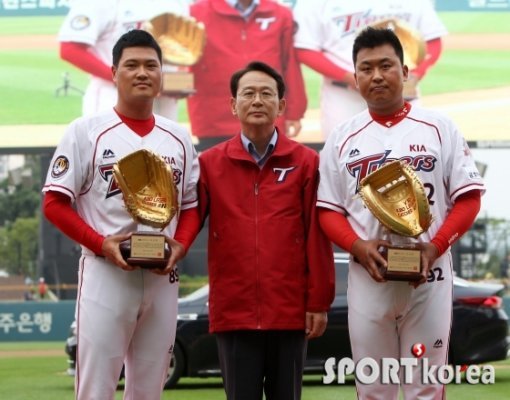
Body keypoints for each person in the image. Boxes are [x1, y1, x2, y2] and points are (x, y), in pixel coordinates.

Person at [317, 27, 485, 399]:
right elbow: (328, 211)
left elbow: (469, 198)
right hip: (368, 278)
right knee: (374, 387)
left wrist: (436, 245)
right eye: (366, 68)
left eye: (386, 65)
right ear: (356, 77)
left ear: (405, 72)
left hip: (431, 274)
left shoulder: (440, 128)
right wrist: (358, 246)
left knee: (425, 387)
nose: (376, 75)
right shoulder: (342, 138)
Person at [42, 29, 200, 400]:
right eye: (132, 65)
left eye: (151, 65)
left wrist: (182, 246)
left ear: (162, 74)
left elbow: (191, 206)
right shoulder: (85, 132)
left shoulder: (178, 137)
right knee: (96, 389)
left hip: (163, 275)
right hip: (105, 272)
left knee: (150, 389)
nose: (142, 72)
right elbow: (54, 203)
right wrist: (100, 243)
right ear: (113, 73)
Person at [196, 61, 335, 400]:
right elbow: (187, 222)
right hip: (234, 311)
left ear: (281, 105)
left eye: (266, 93)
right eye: (248, 93)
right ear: (233, 105)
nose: (257, 100)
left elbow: (316, 237)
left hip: (289, 313)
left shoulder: (305, 162)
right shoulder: (209, 163)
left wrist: (317, 302)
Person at [293, 0, 447, 139]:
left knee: (414, 152)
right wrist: (349, 77)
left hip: (401, 91)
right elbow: (305, 49)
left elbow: (432, 40)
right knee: (343, 155)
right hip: (344, 97)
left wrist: (415, 74)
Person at [189, 0, 307, 150]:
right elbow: (183, 61)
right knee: (218, 173)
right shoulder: (195, 13)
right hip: (214, 120)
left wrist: (294, 112)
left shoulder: (280, 13)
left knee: (265, 173)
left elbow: (290, 64)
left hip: (266, 117)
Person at [58, 0, 191, 118]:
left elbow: (186, 53)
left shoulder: (178, 3)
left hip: (164, 102)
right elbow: (69, 49)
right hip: (112, 97)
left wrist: (179, 83)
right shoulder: (98, 3)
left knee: (163, 145)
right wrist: (122, 78)